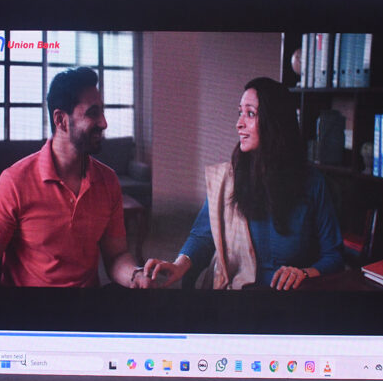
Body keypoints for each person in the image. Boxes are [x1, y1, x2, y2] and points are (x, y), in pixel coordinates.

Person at [144, 77, 344, 290]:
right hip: (237, 295)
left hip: (289, 299)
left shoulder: (312, 182)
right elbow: (203, 236)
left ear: (274, 121)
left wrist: (304, 273)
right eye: (240, 112)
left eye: (250, 114)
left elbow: (333, 255)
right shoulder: (227, 179)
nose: (239, 123)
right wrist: (179, 265)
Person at [0, 67, 154, 289]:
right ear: (61, 120)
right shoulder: (14, 182)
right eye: (93, 113)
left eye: (102, 112)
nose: (104, 123)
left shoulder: (108, 181)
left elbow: (116, 256)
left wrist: (136, 276)